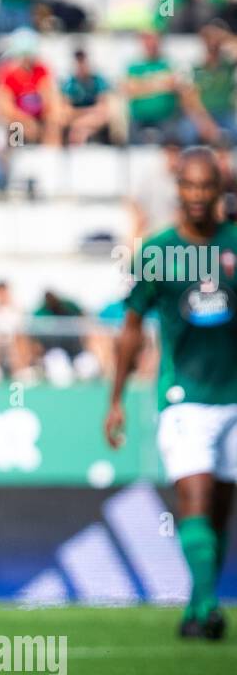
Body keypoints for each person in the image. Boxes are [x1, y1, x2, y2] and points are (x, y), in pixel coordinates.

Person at [106, 147, 237, 639]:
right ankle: (207, 611)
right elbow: (132, 326)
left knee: (219, 515)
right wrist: (116, 398)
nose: (199, 195)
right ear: (178, 188)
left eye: (208, 186)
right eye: (191, 185)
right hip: (184, 400)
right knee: (195, 500)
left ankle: (195, 605)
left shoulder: (234, 244)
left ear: (220, 190)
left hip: (233, 397)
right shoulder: (158, 251)